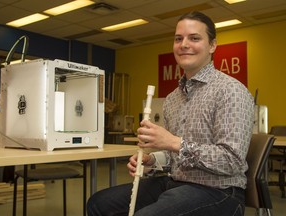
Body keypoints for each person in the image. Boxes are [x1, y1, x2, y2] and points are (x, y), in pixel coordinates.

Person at [87, 11, 254, 216]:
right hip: (175, 183)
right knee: (98, 203)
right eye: (178, 39)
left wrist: (174, 142)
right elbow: (172, 156)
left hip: (220, 192)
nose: (184, 44)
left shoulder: (231, 91)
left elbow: (231, 161)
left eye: (194, 38)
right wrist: (152, 162)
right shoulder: (172, 98)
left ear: (212, 45)